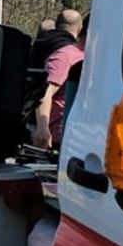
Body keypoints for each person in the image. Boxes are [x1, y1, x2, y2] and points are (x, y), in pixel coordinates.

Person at [32, 9, 86, 150]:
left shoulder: (85, 56)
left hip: (75, 135)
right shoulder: (66, 56)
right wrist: (43, 128)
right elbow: (45, 92)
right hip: (56, 136)